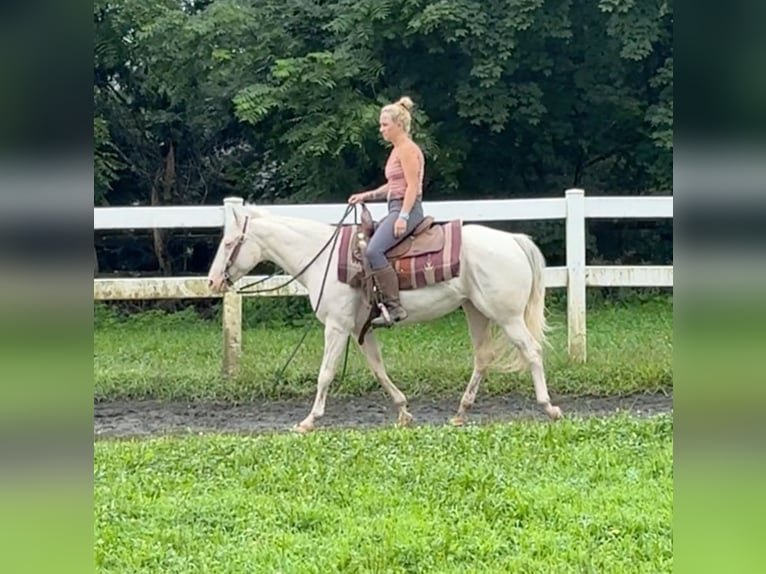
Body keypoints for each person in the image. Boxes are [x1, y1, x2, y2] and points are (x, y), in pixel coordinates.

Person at [348, 96, 426, 326]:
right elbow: (393, 185)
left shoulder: (407, 150)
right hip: (396, 205)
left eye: (385, 125)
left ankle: (394, 307)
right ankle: (375, 297)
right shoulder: (396, 150)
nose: (381, 129)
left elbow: (412, 186)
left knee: (373, 251)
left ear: (398, 125)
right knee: (366, 241)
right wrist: (367, 195)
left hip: (407, 209)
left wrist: (403, 216)